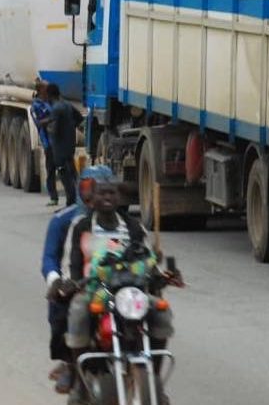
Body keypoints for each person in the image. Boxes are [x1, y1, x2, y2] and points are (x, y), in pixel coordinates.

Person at [63, 178, 173, 405]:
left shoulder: (133, 226)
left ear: (119, 198)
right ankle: (79, 384)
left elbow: (146, 258)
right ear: (91, 200)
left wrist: (159, 273)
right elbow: (74, 262)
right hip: (98, 288)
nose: (107, 198)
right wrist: (74, 283)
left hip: (131, 290)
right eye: (101, 194)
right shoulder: (83, 227)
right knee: (78, 310)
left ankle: (153, 379)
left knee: (161, 310)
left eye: (112, 194)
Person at [41, 165, 115, 395]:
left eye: (104, 189)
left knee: (152, 308)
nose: (95, 196)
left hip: (116, 284)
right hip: (79, 283)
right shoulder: (64, 221)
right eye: (88, 189)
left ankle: (150, 372)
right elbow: (50, 258)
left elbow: (143, 251)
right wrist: (56, 280)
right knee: (64, 306)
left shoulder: (125, 223)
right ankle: (71, 363)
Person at [41, 83, 83, 206]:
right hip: (70, 146)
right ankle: (79, 201)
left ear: (49, 95)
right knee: (73, 175)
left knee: (65, 176)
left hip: (59, 149)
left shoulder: (56, 108)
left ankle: (70, 203)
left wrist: (45, 126)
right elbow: (80, 118)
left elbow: (54, 130)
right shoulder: (67, 105)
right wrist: (69, 127)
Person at [30, 81, 57, 207]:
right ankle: (53, 197)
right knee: (50, 170)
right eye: (47, 89)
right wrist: (53, 118)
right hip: (48, 143)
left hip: (58, 141)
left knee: (66, 170)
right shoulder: (35, 106)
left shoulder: (52, 102)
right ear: (41, 91)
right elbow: (39, 123)